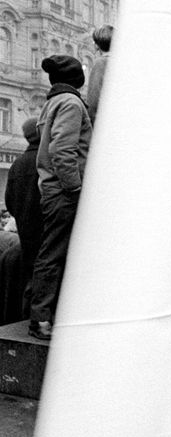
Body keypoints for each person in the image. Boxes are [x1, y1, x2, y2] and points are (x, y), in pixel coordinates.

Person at [28, 55, 92, 340]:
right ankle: (41, 318)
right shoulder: (71, 103)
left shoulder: (52, 102)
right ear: (78, 79)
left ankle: (45, 315)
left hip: (52, 190)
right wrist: (75, 187)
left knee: (52, 253)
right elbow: (63, 151)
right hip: (64, 191)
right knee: (53, 254)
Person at [4, 117, 42, 317]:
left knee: (28, 275)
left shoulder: (17, 164)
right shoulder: (47, 159)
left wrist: (22, 217)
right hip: (46, 228)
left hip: (26, 231)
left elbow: (9, 201)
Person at [86, 24, 114, 125]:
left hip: (105, 124)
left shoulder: (101, 63)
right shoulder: (122, 63)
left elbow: (93, 99)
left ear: (97, 45)